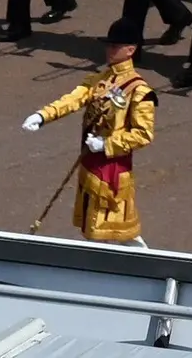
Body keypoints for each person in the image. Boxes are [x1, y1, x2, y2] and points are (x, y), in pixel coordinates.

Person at [28, 36, 159, 244]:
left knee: (117, 229)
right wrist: (43, 115)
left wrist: (105, 144)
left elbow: (143, 134)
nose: (109, 50)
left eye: (115, 45)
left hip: (113, 167)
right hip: (91, 163)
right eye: (108, 45)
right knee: (95, 226)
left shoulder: (140, 91)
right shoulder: (101, 79)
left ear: (130, 50)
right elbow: (74, 99)